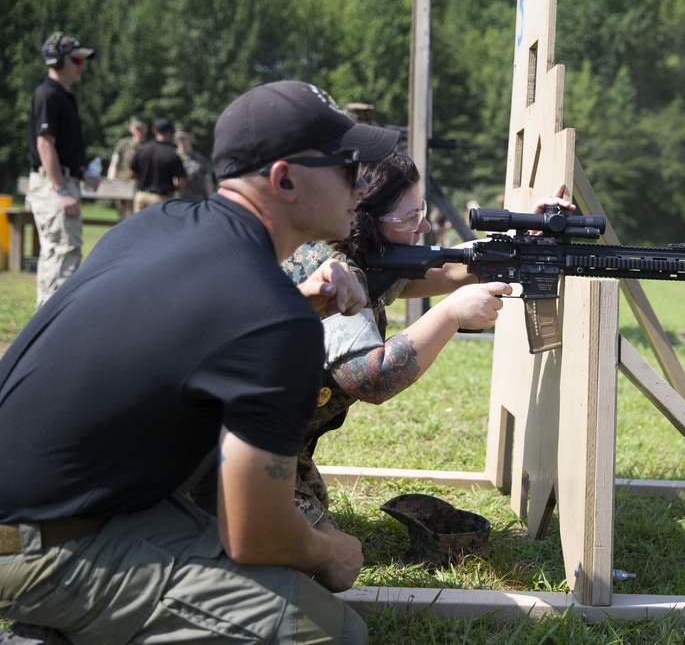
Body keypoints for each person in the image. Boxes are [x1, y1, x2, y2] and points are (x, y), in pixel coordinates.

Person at [0, 80, 406, 644]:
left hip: (53, 507)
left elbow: (197, 333)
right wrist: (332, 551)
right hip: (37, 545)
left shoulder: (159, 223)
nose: (359, 181)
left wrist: (293, 308)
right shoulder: (269, 318)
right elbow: (256, 533)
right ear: (284, 178)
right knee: (331, 634)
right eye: (345, 163)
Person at [279, 151, 569, 529]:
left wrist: (519, 246)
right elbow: (372, 377)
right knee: (331, 555)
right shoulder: (329, 267)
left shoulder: (363, 253)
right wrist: (450, 315)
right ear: (363, 222)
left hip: (282, 441)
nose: (424, 227)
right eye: (409, 218)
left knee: (317, 512)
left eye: (423, 211)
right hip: (224, 446)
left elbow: (443, 272)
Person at [24, 32, 100, 308]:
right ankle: (52, 335)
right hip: (54, 185)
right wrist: (61, 189)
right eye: (76, 62)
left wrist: (81, 173)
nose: (81, 67)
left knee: (59, 254)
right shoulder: (47, 95)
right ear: (57, 61)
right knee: (64, 254)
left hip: (64, 180)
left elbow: (62, 148)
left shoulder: (63, 97)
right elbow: (45, 146)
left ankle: (46, 331)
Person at [129, 117, 187, 212]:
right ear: (170, 132)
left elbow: (131, 174)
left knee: (139, 226)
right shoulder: (172, 154)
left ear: (154, 130)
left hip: (141, 196)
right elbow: (181, 184)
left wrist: (144, 180)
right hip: (161, 198)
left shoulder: (143, 150)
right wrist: (172, 188)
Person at [175, 126, 216, 200]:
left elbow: (207, 181)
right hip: (177, 201)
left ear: (191, 139)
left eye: (184, 139)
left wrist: (211, 200)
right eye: (178, 139)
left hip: (196, 201)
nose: (181, 142)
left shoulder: (200, 159)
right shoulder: (172, 157)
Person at [106, 115, 149, 181]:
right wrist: (111, 179)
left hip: (145, 183)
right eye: (137, 128)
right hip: (126, 181)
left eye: (142, 128)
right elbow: (114, 163)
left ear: (146, 129)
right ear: (131, 129)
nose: (139, 131)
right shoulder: (123, 144)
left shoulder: (151, 146)